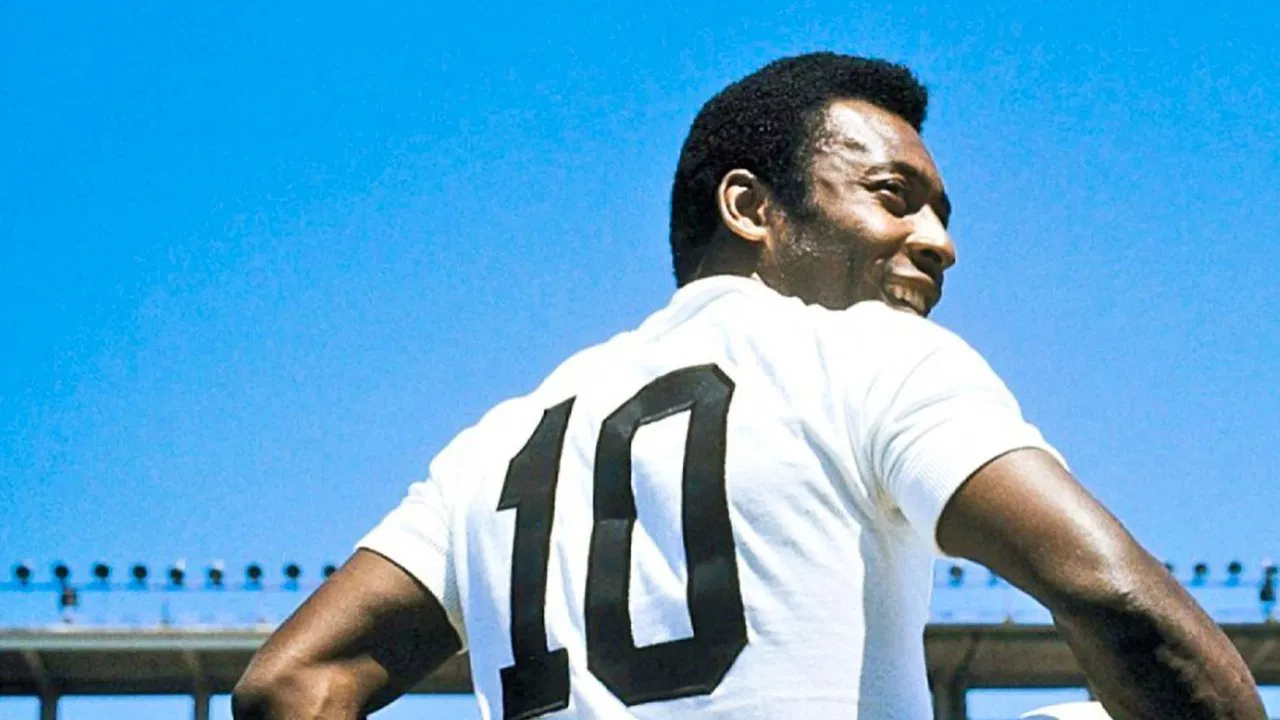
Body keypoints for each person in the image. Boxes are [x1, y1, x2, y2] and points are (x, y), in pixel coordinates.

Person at [232, 52, 1265, 719]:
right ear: (750, 207)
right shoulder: (864, 354)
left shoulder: (495, 446)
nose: (938, 243)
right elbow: (1115, 601)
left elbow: (289, 683)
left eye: (942, 215)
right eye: (893, 195)